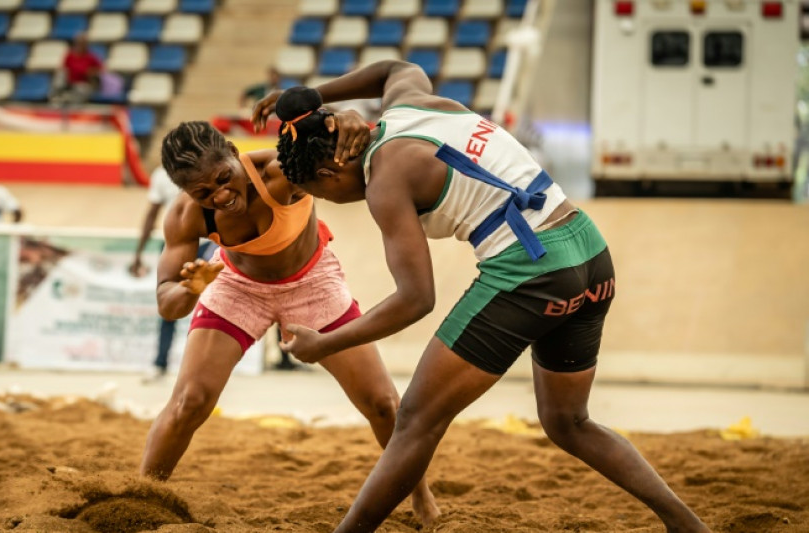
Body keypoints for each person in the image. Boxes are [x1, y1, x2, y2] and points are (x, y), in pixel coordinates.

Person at [253, 61, 711, 533]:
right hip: (590, 253)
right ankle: (687, 525)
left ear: (330, 170)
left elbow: (415, 299)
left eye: (322, 195)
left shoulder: (385, 182)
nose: (334, 201)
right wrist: (318, 98)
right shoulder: (410, 102)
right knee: (568, 421)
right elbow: (397, 67)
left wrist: (327, 343)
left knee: (415, 419)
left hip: (532, 272)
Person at [140, 116, 439, 527]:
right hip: (235, 285)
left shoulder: (282, 172)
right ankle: (143, 494)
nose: (222, 195)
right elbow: (166, 305)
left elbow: (348, 150)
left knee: (383, 404)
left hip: (312, 282)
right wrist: (191, 289)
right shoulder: (185, 216)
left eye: (224, 178)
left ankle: (420, 494)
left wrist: (347, 119)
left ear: (233, 151)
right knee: (189, 401)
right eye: (203, 192)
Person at [131, 165, 216, 382]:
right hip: (175, 244)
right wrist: (138, 252)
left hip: (208, 244)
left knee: (212, 307)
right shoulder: (162, 174)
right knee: (170, 304)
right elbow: (152, 213)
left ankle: (205, 368)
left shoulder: (212, 169)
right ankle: (160, 363)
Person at [54, 33, 103, 104]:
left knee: (81, 90)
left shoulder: (91, 57)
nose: (81, 45)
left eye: (83, 43)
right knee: (60, 75)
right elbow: (63, 68)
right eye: (79, 43)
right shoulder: (69, 56)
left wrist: (91, 72)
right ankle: (56, 98)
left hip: (84, 84)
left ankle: (74, 107)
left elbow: (100, 70)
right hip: (69, 83)